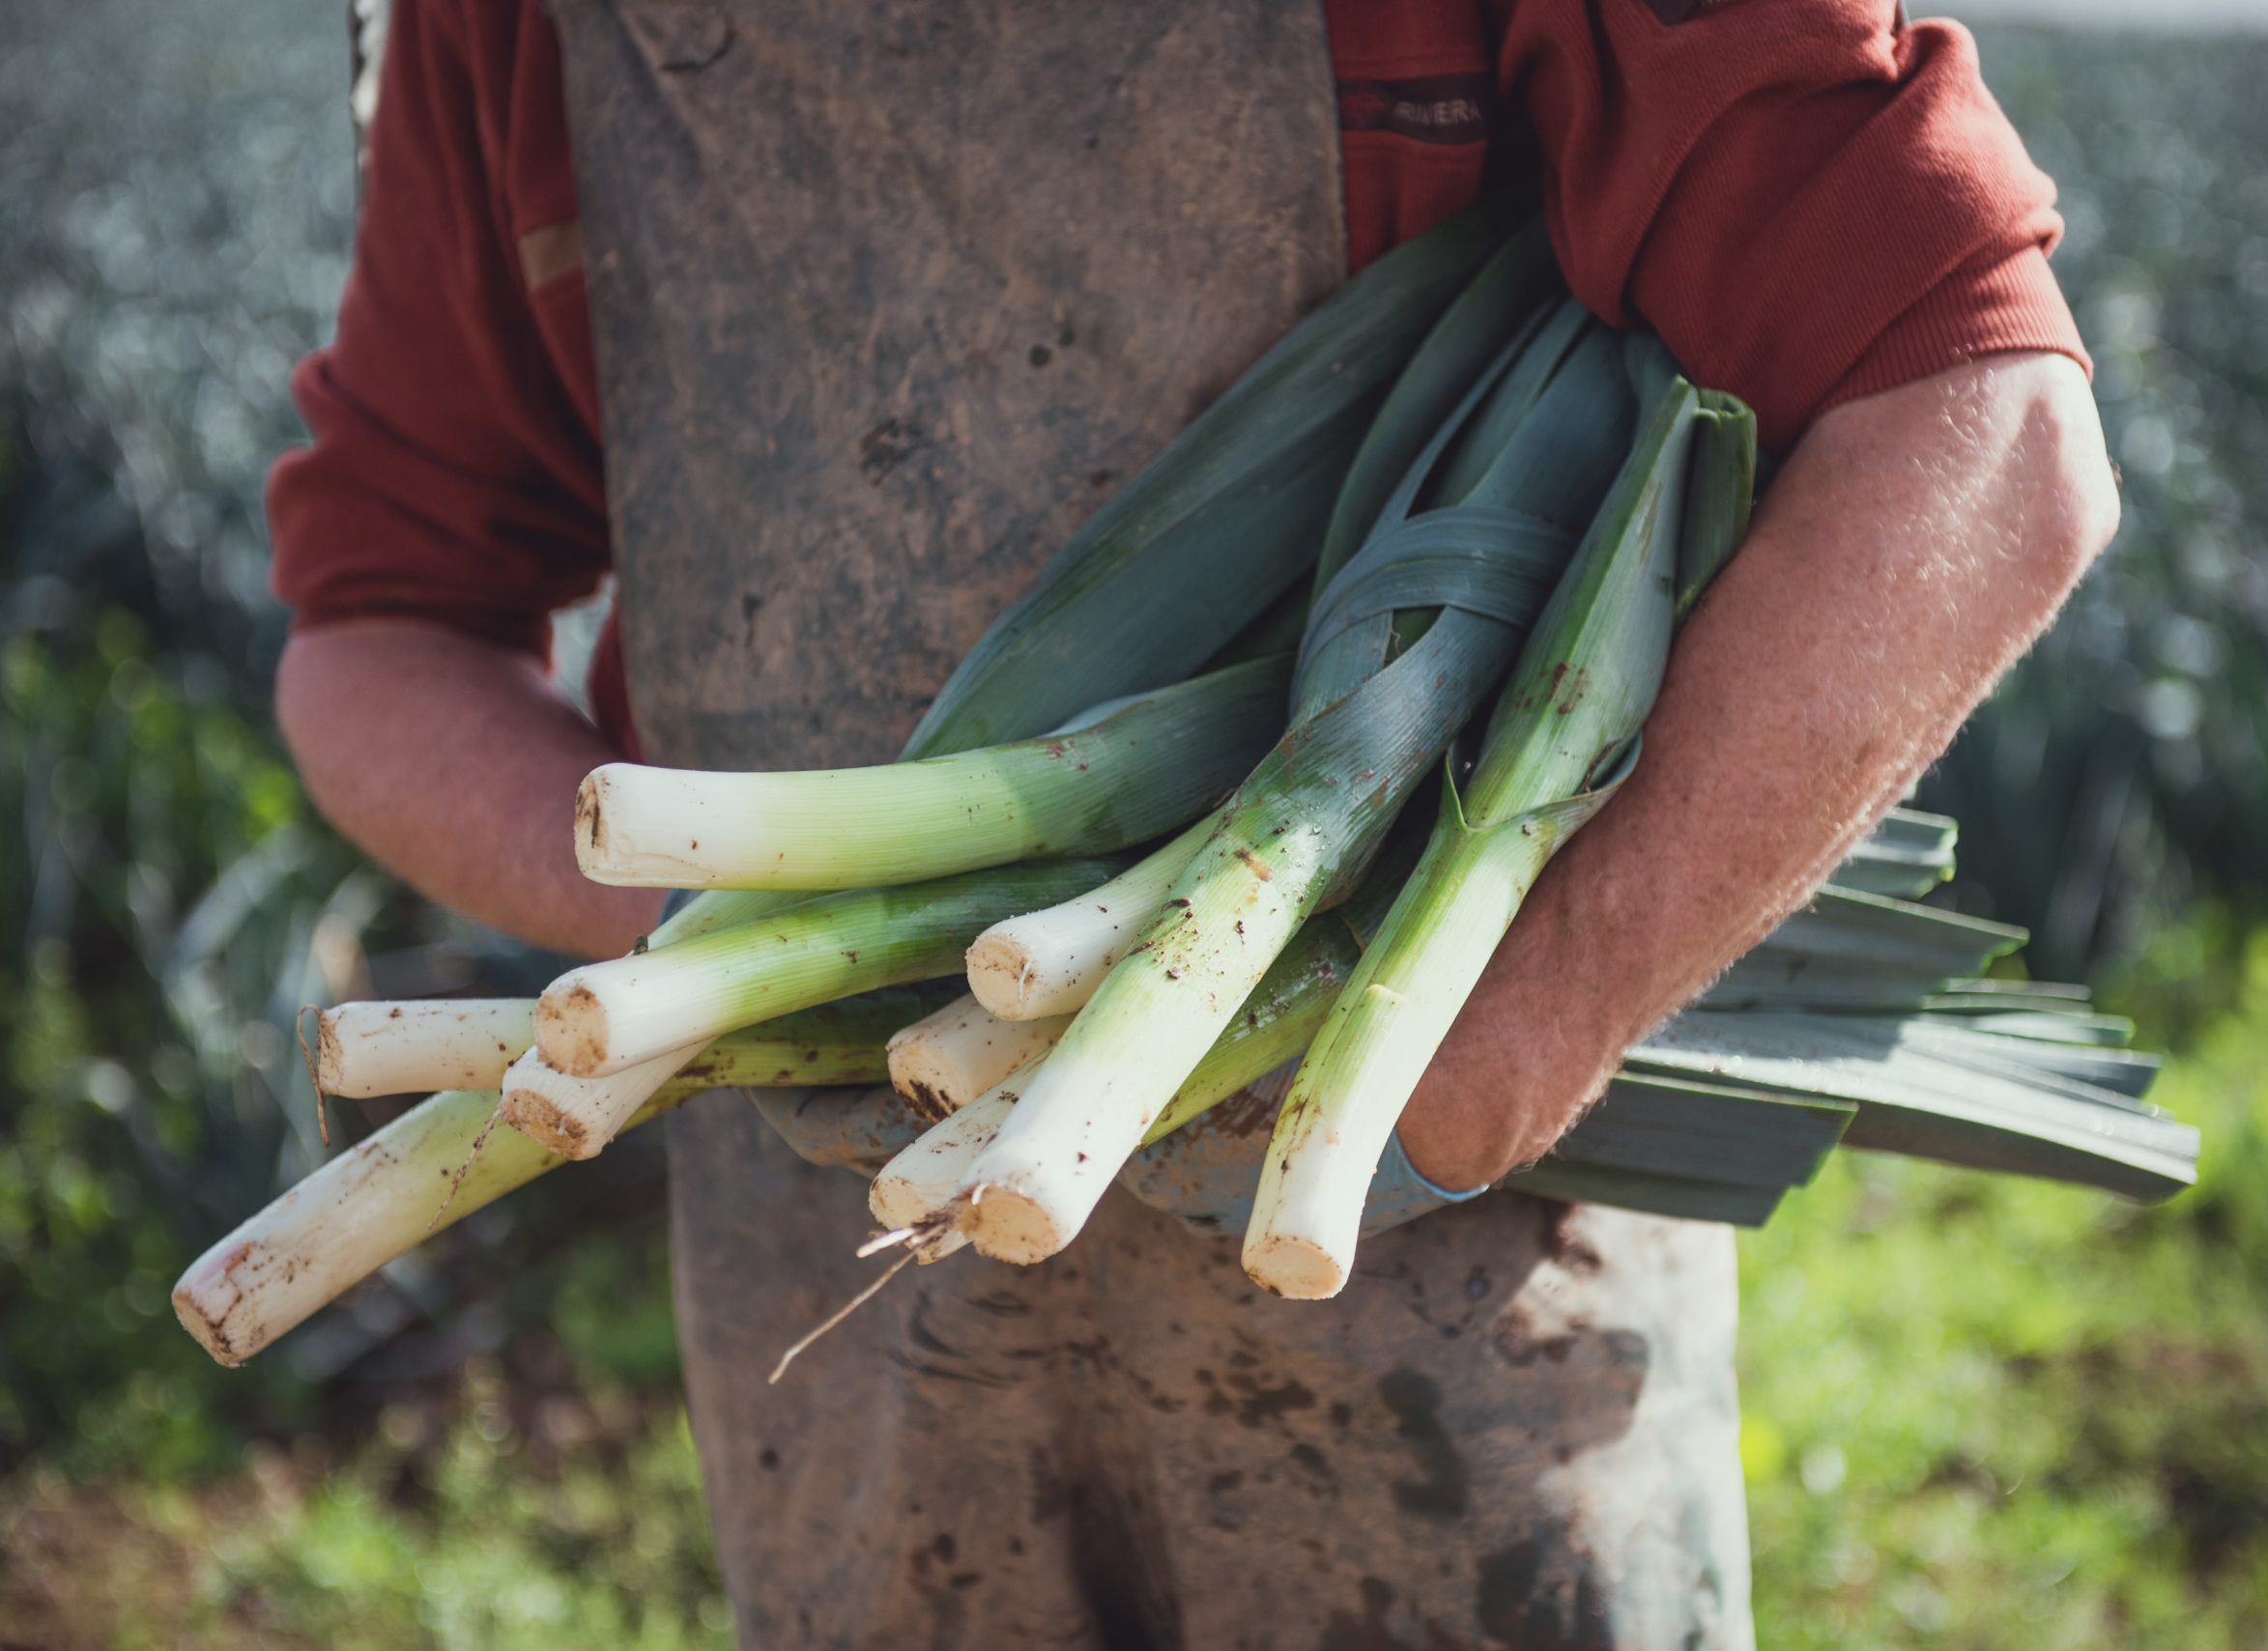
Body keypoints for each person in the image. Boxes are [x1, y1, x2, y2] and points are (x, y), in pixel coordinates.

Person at [266, 0, 2116, 1642]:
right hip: (840, 1317)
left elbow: (1989, 427)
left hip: (1434, 1319)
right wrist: (715, 982)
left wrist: (1503, 1033)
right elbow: (378, 631)